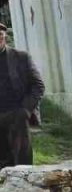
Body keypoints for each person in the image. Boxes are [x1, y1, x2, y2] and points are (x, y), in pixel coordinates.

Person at [0, 22, 44, 167]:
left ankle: (24, 188)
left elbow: (38, 85)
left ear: (5, 36)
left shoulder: (21, 57)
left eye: (0, 35)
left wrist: (25, 110)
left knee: (22, 162)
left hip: (16, 115)